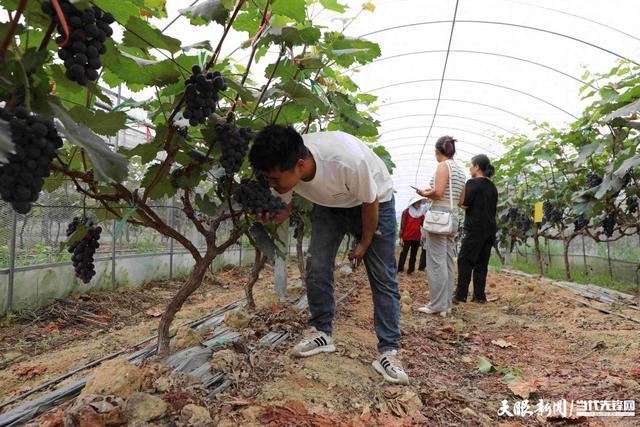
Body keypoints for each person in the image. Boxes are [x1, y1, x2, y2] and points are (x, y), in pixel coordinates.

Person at [248, 125, 408, 385]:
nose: (272, 184)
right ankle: (321, 332)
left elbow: (370, 202)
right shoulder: (283, 167)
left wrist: (365, 241)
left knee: (382, 276)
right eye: (268, 179)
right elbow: (283, 210)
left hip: (374, 202)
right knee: (317, 265)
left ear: (299, 166)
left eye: (274, 179)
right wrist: (265, 214)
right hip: (330, 206)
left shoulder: (346, 162)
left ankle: (389, 351)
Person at [415, 136, 466, 317]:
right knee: (447, 261)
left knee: (436, 262)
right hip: (452, 217)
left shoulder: (443, 166)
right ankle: (446, 305)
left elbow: (438, 192)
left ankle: (437, 305)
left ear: (438, 152)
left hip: (439, 217)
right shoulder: (460, 170)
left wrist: (424, 192)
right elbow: (461, 200)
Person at [455, 154, 498, 304]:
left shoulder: (473, 183)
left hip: (475, 229)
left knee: (464, 260)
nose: (469, 168)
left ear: (477, 167)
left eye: (471, 165)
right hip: (490, 230)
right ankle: (479, 296)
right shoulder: (492, 186)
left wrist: (458, 196)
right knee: (481, 263)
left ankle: (460, 295)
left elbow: (465, 204)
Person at [398, 196, 427, 274]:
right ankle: (400, 269)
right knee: (404, 253)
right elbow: (402, 225)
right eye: (417, 203)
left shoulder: (420, 214)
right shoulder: (406, 212)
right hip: (407, 236)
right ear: (413, 203)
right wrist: (401, 237)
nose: (419, 204)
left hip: (416, 236)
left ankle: (411, 270)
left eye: (420, 203)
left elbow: (424, 224)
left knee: (413, 255)